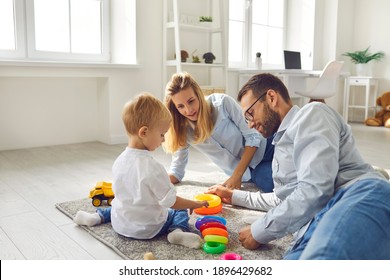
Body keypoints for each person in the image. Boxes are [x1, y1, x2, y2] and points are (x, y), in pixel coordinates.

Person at [206, 73, 390, 259]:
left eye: (250, 114)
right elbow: (283, 200)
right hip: (311, 226)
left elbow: (315, 190)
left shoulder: (312, 113)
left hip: (352, 195)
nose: (251, 124)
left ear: (271, 97)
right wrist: (234, 196)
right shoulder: (280, 145)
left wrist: (260, 230)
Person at [74, 93, 208, 249]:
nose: (163, 140)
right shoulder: (153, 167)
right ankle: (176, 232)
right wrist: (194, 203)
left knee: (119, 206)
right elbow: (172, 202)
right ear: (144, 132)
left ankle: (94, 218)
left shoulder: (119, 161)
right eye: (162, 135)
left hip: (121, 224)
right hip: (148, 229)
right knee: (180, 212)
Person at [164, 72, 274, 192]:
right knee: (274, 183)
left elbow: (252, 136)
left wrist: (237, 175)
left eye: (191, 101)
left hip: (266, 147)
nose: (189, 110)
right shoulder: (183, 131)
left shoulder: (222, 103)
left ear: (198, 94)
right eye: (180, 106)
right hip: (252, 173)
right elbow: (177, 171)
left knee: (293, 155)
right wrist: (154, 181)